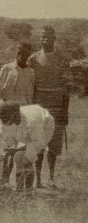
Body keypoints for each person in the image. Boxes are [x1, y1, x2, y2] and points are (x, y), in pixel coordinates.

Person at [28, 25, 71, 188]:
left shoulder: (63, 58)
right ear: (40, 39)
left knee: (53, 144)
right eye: (43, 37)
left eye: (49, 37)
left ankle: (51, 178)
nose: (46, 40)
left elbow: (67, 87)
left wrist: (65, 110)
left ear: (54, 39)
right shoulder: (32, 58)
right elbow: (29, 85)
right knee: (38, 142)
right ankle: (37, 179)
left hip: (57, 107)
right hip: (38, 107)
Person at [0, 42, 35, 184]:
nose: (23, 55)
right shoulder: (6, 69)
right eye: (20, 52)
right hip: (8, 114)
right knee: (7, 147)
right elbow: (0, 90)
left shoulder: (31, 72)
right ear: (17, 52)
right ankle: (4, 181)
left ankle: (21, 184)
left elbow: (31, 94)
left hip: (24, 115)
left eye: (26, 53)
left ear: (29, 54)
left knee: (22, 148)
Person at [0, 103, 55, 192]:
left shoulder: (32, 121)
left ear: (15, 116)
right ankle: (18, 187)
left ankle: (31, 187)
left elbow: (39, 142)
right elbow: (2, 134)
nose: (6, 123)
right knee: (17, 155)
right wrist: (3, 150)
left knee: (27, 158)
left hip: (45, 126)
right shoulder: (7, 118)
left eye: (9, 121)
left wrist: (28, 155)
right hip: (27, 129)